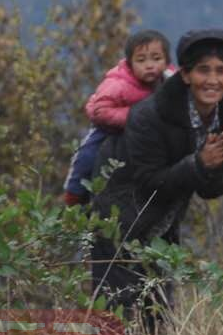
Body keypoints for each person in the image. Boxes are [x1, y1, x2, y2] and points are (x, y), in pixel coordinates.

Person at [86, 28, 223, 335]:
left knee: (157, 319)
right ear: (184, 75)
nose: (212, 80)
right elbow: (149, 181)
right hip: (118, 217)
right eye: (203, 70)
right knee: (117, 317)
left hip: (163, 224)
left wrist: (213, 167)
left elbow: (212, 188)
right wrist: (199, 164)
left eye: (221, 71)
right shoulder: (149, 116)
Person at [62, 29, 172, 205]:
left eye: (156, 59)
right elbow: (100, 110)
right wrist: (134, 117)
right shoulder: (119, 83)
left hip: (145, 135)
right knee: (86, 156)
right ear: (130, 64)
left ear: (167, 61)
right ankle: (74, 195)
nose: (150, 65)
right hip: (109, 130)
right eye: (141, 60)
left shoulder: (170, 81)